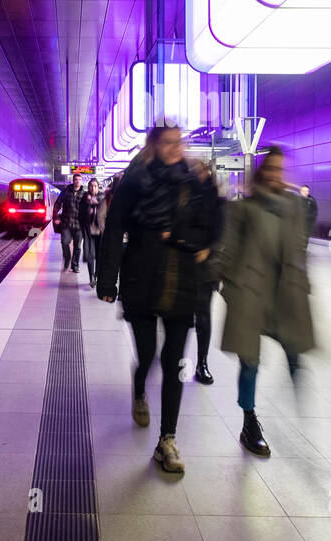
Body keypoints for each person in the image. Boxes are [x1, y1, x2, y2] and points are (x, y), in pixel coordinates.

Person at [97, 125, 206, 474]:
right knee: (147, 354)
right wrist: (107, 280)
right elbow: (114, 230)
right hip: (140, 280)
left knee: (174, 360)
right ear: (154, 145)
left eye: (179, 142)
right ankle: (139, 385)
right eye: (168, 142)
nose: (175, 148)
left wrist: (186, 240)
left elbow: (209, 227)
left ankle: (168, 441)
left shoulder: (191, 181)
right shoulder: (133, 183)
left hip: (181, 282)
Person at [217, 146, 316, 456]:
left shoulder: (293, 207)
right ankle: (249, 421)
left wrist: (303, 283)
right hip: (249, 295)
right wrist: (230, 289)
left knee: (294, 350)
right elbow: (227, 252)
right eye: (270, 169)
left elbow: (300, 248)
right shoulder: (243, 209)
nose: (275, 175)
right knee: (251, 362)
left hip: (283, 293)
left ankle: (298, 399)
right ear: (260, 171)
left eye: (280, 170)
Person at [186, 159, 225, 384]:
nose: (197, 175)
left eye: (200, 171)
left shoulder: (218, 202)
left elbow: (222, 233)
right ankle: (174, 360)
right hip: (182, 265)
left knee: (203, 314)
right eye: (193, 171)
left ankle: (202, 363)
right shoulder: (182, 198)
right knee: (180, 316)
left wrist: (207, 250)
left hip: (207, 267)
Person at [52, 172, 84, 274]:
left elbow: (90, 207)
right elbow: (57, 204)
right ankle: (67, 257)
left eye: (79, 180)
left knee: (77, 247)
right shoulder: (65, 192)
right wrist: (56, 216)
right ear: (73, 181)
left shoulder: (84, 194)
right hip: (66, 223)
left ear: (81, 181)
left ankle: (75, 266)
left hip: (79, 225)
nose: (77, 181)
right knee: (64, 242)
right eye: (76, 179)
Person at [78, 178, 105, 288]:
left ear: (98, 187)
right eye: (91, 186)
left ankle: (97, 275)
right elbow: (80, 215)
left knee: (99, 256)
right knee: (90, 255)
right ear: (88, 187)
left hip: (100, 233)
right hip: (89, 232)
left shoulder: (103, 199)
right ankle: (92, 277)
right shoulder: (84, 200)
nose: (92, 188)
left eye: (95, 186)